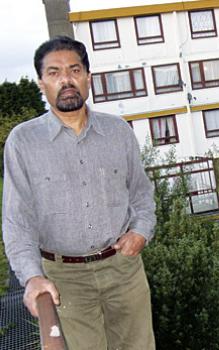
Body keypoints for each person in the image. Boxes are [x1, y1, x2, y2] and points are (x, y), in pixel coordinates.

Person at [2, 36, 156, 350]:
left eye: (74, 70)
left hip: (123, 269)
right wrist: (32, 277)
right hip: (64, 279)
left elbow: (141, 193)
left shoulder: (118, 132)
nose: (66, 80)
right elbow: (18, 221)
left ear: (88, 77)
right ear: (42, 84)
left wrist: (141, 230)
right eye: (54, 73)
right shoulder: (23, 142)